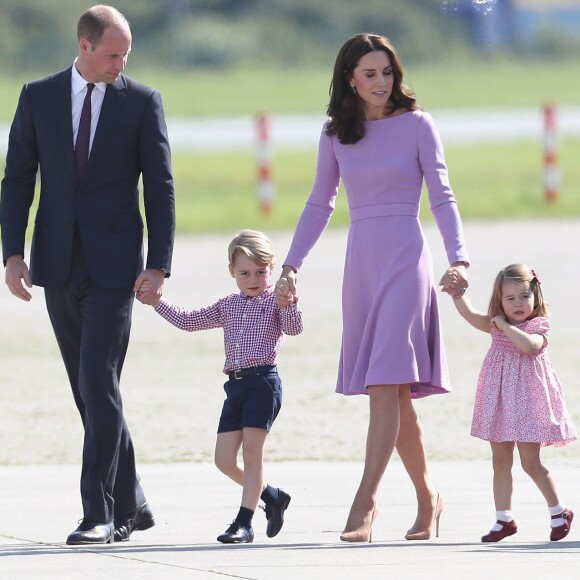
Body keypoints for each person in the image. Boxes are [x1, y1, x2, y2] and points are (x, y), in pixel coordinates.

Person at [276, 32, 470, 543]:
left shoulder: (418, 125)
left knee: (385, 383)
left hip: (407, 258)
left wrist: (460, 258)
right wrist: (291, 265)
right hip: (361, 263)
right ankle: (429, 499)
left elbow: (443, 198)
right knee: (394, 391)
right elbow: (320, 203)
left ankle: (365, 502)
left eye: (387, 72)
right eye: (370, 73)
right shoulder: (336, 133)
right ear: (349, 79)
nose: (381, 82)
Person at [0, 5, 175, 545]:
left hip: (115, 267)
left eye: (126, 55)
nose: (121, 64)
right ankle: (134, 497)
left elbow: (160, 186)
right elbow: (17, 181)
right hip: (56, 262)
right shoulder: (37, 97)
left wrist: (159, 265)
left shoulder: (143, 102)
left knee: (98, 379)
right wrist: (12, 254)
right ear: (84, 46)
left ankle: (99, 512)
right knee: (88, 389)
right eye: (112, 54)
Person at [137, 230, 303, 544]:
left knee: (253, 456)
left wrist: (289, 302)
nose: (253, 279)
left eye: (260, 272)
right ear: (231, 271)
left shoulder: (275, 301)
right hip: (236, 386)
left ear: (271, 269)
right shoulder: (229, 305)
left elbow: (294, 328)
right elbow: (189, 320)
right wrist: (158, 303)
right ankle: (272, 495)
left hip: (263, 384)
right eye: (244, 273)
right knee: (224, 460)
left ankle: (244, 522)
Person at [452, 263, 576, 542]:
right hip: (500, 401)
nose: (518, 303)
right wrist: (457, 294)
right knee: (500, 460)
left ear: (536, 297)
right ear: (500, 300)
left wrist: (505, 325)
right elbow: (471, 316)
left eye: (524, 296)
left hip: (530, 402)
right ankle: (503, 519)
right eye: (510, 298)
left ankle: (559, 511)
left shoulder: (538, 325)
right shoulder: (496, 323)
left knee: (530, 462)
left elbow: (529, 346)